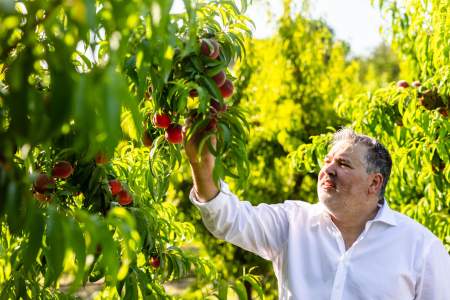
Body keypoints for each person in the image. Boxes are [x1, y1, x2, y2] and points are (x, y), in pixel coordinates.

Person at [184, 127, 450, 300]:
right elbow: (228, 219)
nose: (328, 170)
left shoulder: (420, 248)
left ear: (374, 183)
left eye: (343, 163)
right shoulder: (292, 223)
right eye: (327, 162)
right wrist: (202, 165)